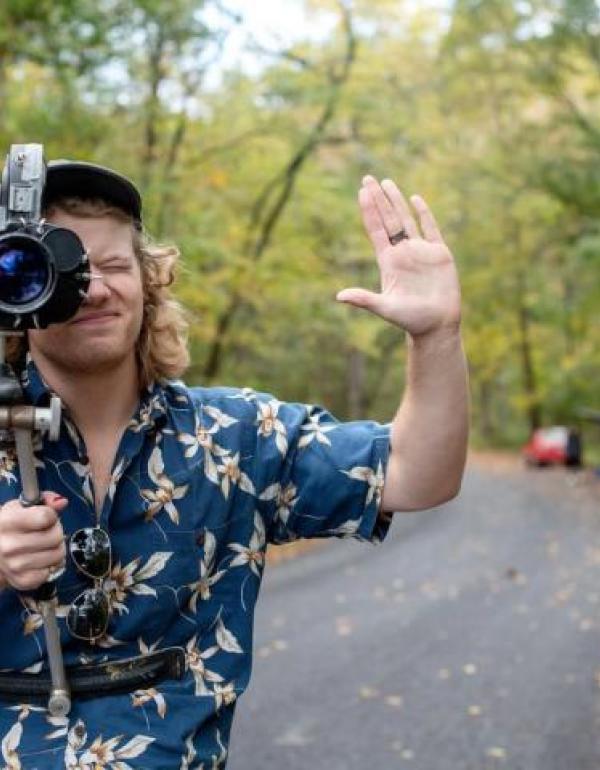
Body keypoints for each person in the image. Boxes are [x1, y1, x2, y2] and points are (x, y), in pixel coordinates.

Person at [0, 159, 468, 769]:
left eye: (115, 266)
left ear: (148, 283)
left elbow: (416, 473)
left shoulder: (236, 437)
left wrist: (436, 337)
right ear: (19, 297)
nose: (95, 287)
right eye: (66, 270)